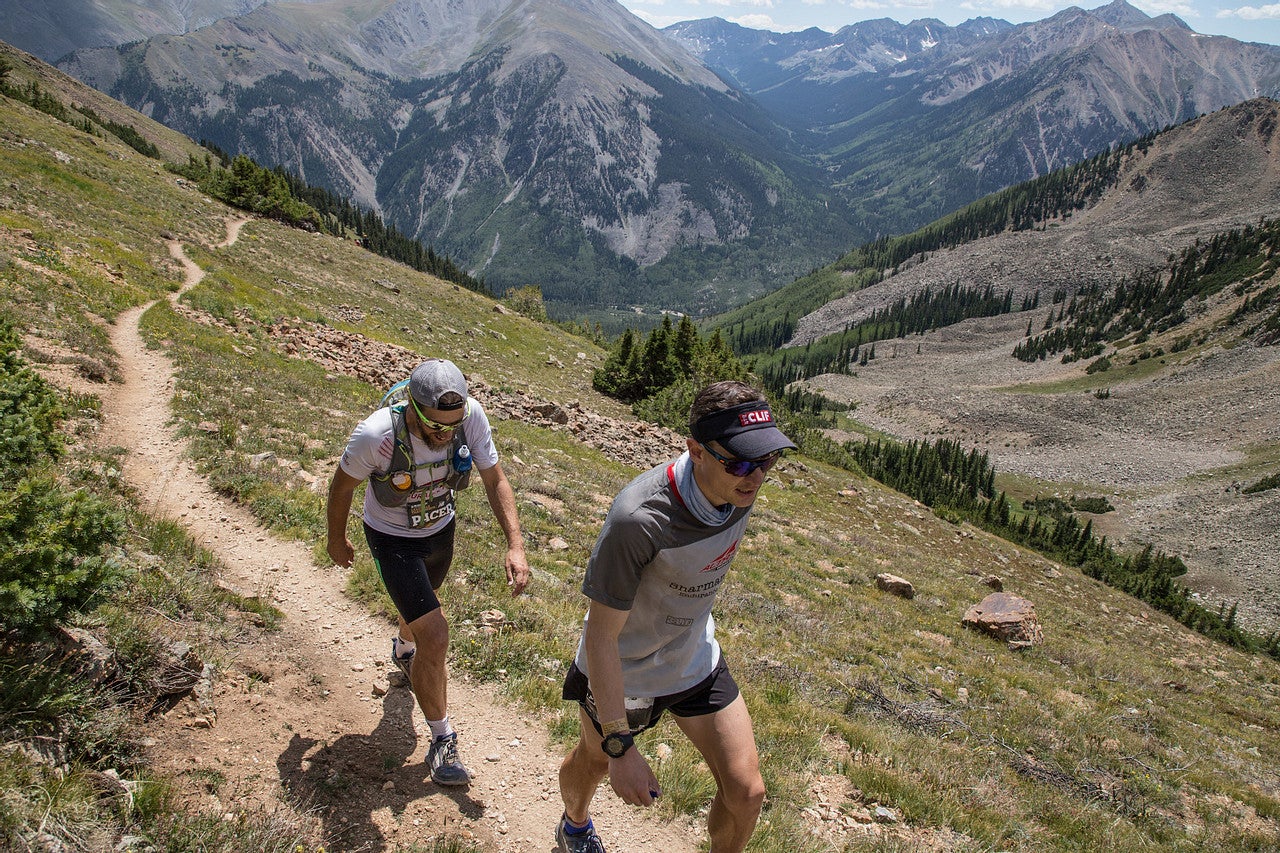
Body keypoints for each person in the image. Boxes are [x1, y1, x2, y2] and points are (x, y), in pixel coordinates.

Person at [555, 380, 796, 853]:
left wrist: (744, 466)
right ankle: (575, 824)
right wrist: (620, 747)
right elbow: (601, 636)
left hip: (692, 658)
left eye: (767, 460)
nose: (756, 475)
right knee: (595, 761)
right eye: (741, 462)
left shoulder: (738, 486)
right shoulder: (639, 520)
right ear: (695, 451)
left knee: (748, 793)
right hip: (625, 670)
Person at [326, 358, 529, 786]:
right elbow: (342, 485)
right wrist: (335, 539)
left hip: (439, 529)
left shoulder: (469, 417)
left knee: (418, 614)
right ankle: (442, 739)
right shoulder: (377, 435)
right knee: (435, 634)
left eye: (452, 426)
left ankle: (403, 650)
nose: (446, 435)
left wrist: (515, 543)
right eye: (436, 427)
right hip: (392, 537)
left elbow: (494, 478)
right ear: (412, 409)